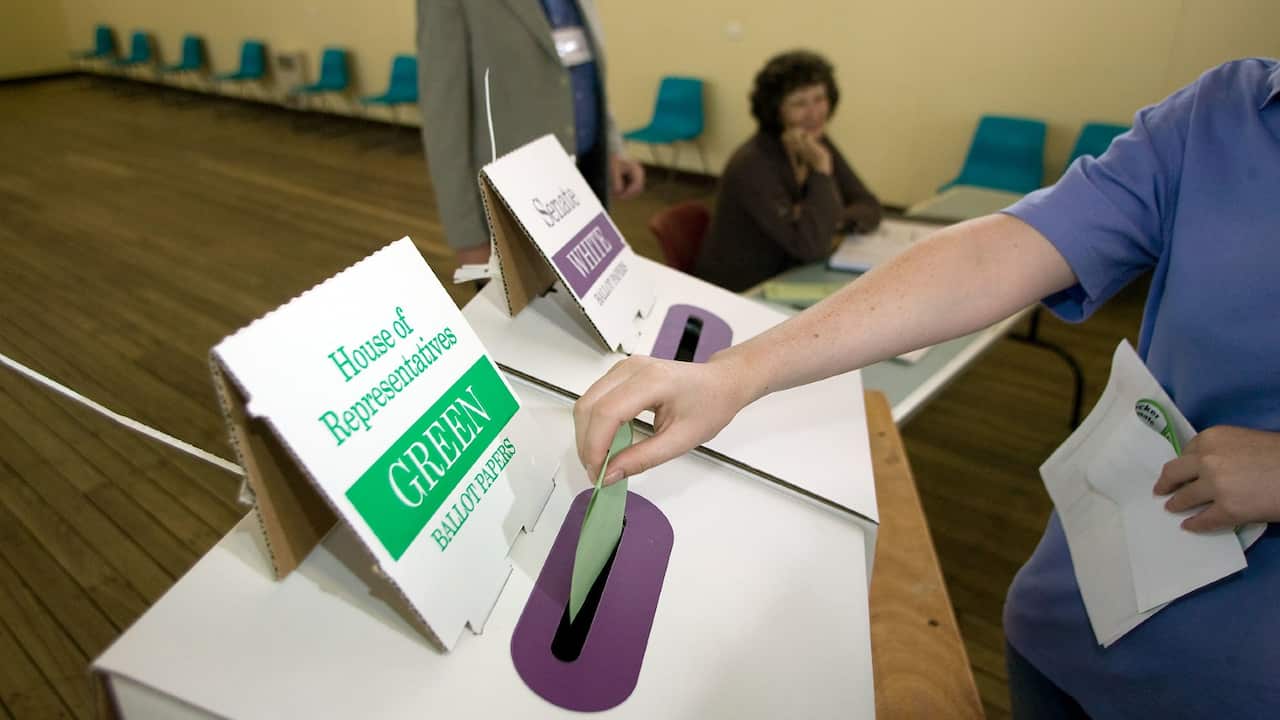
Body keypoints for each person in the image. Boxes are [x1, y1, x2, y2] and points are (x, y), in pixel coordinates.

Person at [574, 58, 1280, 717]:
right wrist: (737, 372)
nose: (815, 112)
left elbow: (858, 209)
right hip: (1082, 609)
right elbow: (998, 251)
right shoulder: (1226, 110)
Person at [417, 0, 645, 266]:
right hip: (516, 206)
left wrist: (613, 148)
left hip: (587, 181)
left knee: (589, 302)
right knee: (532, 307)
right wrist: (468, 237)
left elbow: (583, 72)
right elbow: (444, 119)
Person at [693, 50, 882, 292]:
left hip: (791, 273)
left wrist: (824, 222)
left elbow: (868, 205)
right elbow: (811, 246)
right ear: (776, 110)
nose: (814, 113)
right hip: (745, 292)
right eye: (799, 103)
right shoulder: (753, 163)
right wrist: (821, 172)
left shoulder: (814, 143)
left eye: (819, 98)